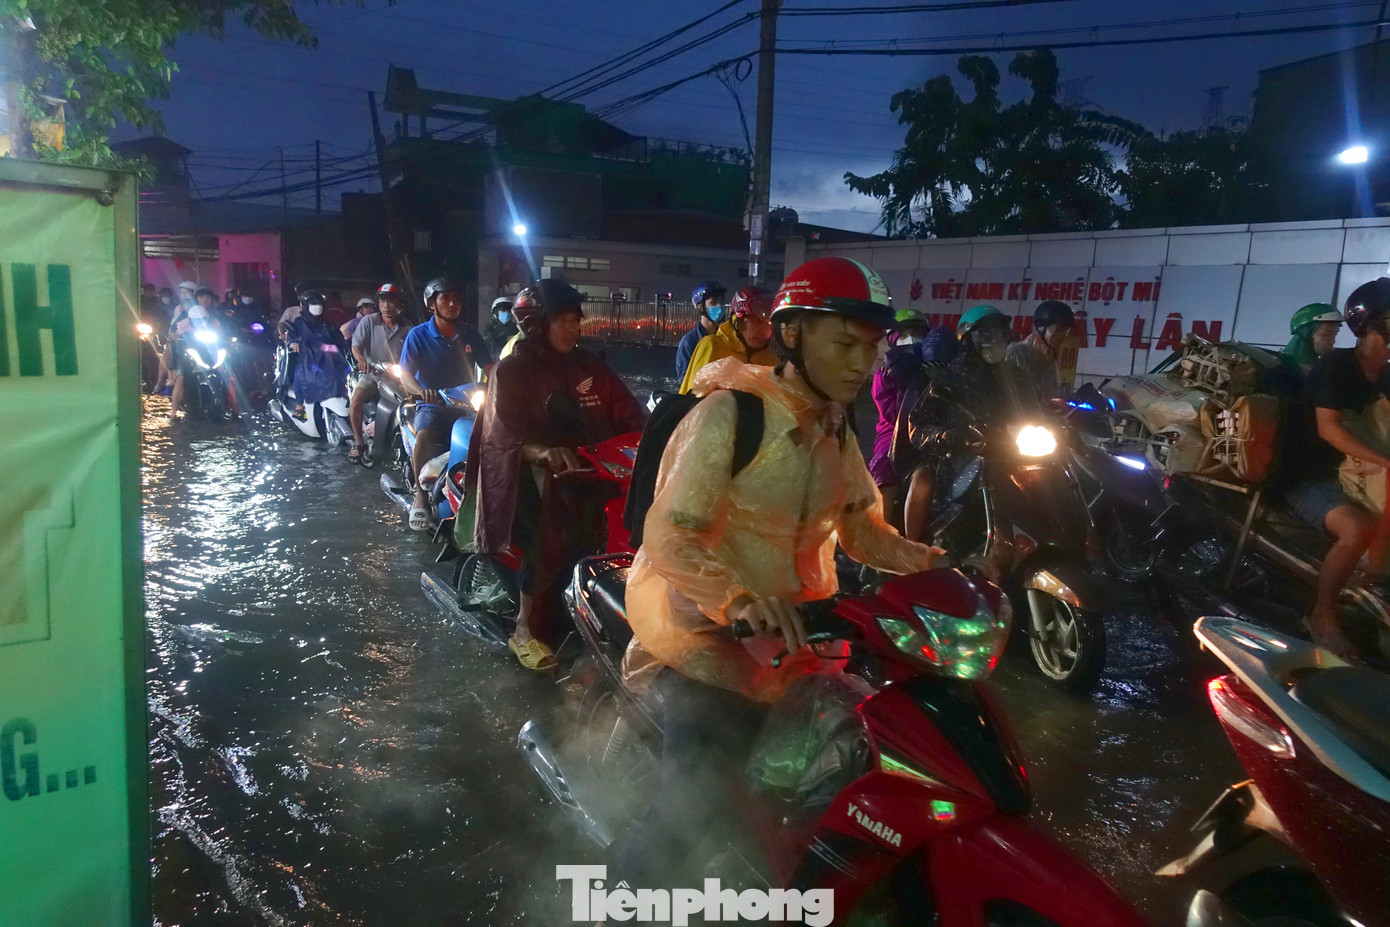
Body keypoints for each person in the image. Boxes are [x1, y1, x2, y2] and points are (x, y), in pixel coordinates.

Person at [616, 256, 943, 885]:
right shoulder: (732, 414)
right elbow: (671, 533)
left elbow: (861, 531)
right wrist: (737, 600)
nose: (863, 363)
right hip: (709, 636)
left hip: (799, 637)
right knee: (694, 807)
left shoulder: (834, 426)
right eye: (845, 344)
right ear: (792, 334)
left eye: (872, 347)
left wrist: (932, 563)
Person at [472, 279, 646, 671]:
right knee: (546, 540)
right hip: (533, 475)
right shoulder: (512, 372)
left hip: (591, 471)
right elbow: (502, 436)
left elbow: (628, 412)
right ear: (536, 324)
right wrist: (544, 453)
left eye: (575, 320)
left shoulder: (589, 366)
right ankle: (523, 629)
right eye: (562, 320)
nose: (573, 328)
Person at [1279, 278, 1390, 660]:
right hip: (1310, 475)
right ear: (1370, 323)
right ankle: (1322, 615)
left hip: (1359, 475)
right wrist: (1386, 462)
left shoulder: (1386, 375)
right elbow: (1329, 429)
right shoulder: (1336, 366)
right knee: (1357, 529)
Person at [901, 304, 1044, 544]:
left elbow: (1036, 409)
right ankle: (912, 550)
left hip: (1010, 453)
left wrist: (1054, 420)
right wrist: (947, 436)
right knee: (922, 480)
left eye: (1000, 336)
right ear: (970, 340)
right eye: (989, 336)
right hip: (954, 456)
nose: (997, 342)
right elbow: (918, 423)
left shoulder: (1017, 377)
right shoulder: (948, 379)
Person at [399, 277, 494, 531]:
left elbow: (490, 367)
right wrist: (421, 391)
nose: (452, 304)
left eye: (456, 299)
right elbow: (405, 374)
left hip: (466, 403)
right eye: (445, 299)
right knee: (425, 435)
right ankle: (420, 494)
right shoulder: (418, 335)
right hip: (432, 404)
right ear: (432, 304)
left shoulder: (471, 334)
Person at [869, 308, 933, 521]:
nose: (911, 339)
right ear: (893, 338)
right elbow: (891, 414)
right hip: (893, 433)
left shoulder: (932, 367)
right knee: (884, 472)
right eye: (904, 334)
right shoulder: (885, 373)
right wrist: (903, 380)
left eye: (917, 333)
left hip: (931, 431)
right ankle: (881, 530)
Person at [677, 286, 777, 395]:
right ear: (739, 321)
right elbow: (694, 397)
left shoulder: (769, 357)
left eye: (769, 323)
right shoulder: (711, 346)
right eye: (757, 321)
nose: (764, 330)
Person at [347, 284, 407, 462]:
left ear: (399, 303)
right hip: (372, 375)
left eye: (390, 301)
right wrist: (361, 360)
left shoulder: (407, 326)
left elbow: (414, 351)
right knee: (356, 400)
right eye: (382, 301)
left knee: (411, 405)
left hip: (397, 378)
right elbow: (356, 345)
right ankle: (358, 441)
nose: (386, 305)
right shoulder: (369, 321)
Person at [284, 289, 350, 419]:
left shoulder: (327, 323)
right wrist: (294, 343)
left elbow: (338, 337)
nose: (317, 306)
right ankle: (299, 406)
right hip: (309, 358)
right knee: (300, 372)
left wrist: (344, 345)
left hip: (329, 357)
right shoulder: (299, 322)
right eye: (313, 304)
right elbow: (293, 336)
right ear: (305, 306)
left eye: (319, 303)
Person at [1006, 299, 1075, 400]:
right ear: (1041, 328)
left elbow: (1049, 393)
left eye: (1066, 331)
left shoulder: (1050, 357)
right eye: (1059, 330)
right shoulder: (1020, 354)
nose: (1064, 335)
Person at [167, 304, 226, 423]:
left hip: (208, 354)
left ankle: (231, 408)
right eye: (197, 320)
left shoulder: (214, 323)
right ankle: (174, 412)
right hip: (187, 356)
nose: (200, 321)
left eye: (203, 319)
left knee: (228, 375)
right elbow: (174, 337)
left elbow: (221, 338)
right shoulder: (182, 324)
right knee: (181, 379)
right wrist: (179, 338)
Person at [674, 280, 728, 382]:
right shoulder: (689, 342)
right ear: (700, 307)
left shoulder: (726, 338)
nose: (719, 306)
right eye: (713, 302)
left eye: (721, 302)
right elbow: (684, 379)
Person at [1283, 302, 1345, 370]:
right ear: (1306, 333)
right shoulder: (1277, 365)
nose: (1333, 341)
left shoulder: (1324, 370)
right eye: (1326, 335)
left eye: (1335, 335)